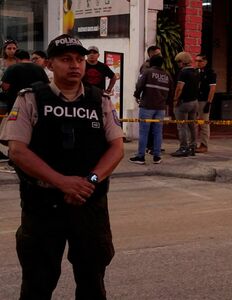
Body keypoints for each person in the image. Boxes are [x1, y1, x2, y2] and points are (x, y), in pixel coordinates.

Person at [0, 33, 124, 299]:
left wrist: (89, 181)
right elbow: (17, 150)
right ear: (50, 64)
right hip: (43, 206)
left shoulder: (99, 100)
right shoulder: (30, 98)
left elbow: (117, 148)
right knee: (37, 283)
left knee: (92, 281)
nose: (75, 65)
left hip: (89, 204)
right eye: (66, 59)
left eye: (79, 59)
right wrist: (62, 182)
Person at [0, 50, 49, 163]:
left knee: (15, 133)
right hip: (36, 106)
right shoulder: (39, 69)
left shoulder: (13, 68)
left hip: (16, 106)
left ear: (17, 58)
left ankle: (15, 157)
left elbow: (5, 87)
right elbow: (46, 85)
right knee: (33, 132)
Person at [130, 55, 171, 165]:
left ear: (151, 62)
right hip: (161, 108)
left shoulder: (147, 72)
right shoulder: (167, 75)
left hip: (147, 106)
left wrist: (136, 95)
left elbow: (139, 85)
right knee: (158, 132)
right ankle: (157, 157)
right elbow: (171, 92)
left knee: (144, 132)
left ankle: (141, 157)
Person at [171, 51, 201, 157]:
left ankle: (183, 148)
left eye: (178, 62)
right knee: (192, 125)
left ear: (182, 62)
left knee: (182, 126)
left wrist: (175, 100)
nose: (178, 64)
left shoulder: (183, 73)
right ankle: (192, 146)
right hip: (194, 102)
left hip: (184, 102)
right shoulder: (196, 72)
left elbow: (179, 88)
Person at [195, 54, 216, 154]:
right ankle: (194, 144)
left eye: (200, 61)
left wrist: (209, 102)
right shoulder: (196, 72)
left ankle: (204, 145)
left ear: (205, 62)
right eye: (196, 61)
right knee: (195, 123)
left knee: (204, 124)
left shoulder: (210, 73)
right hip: (196, 100)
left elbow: (212, 89)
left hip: (204, 100)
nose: (197, 63)